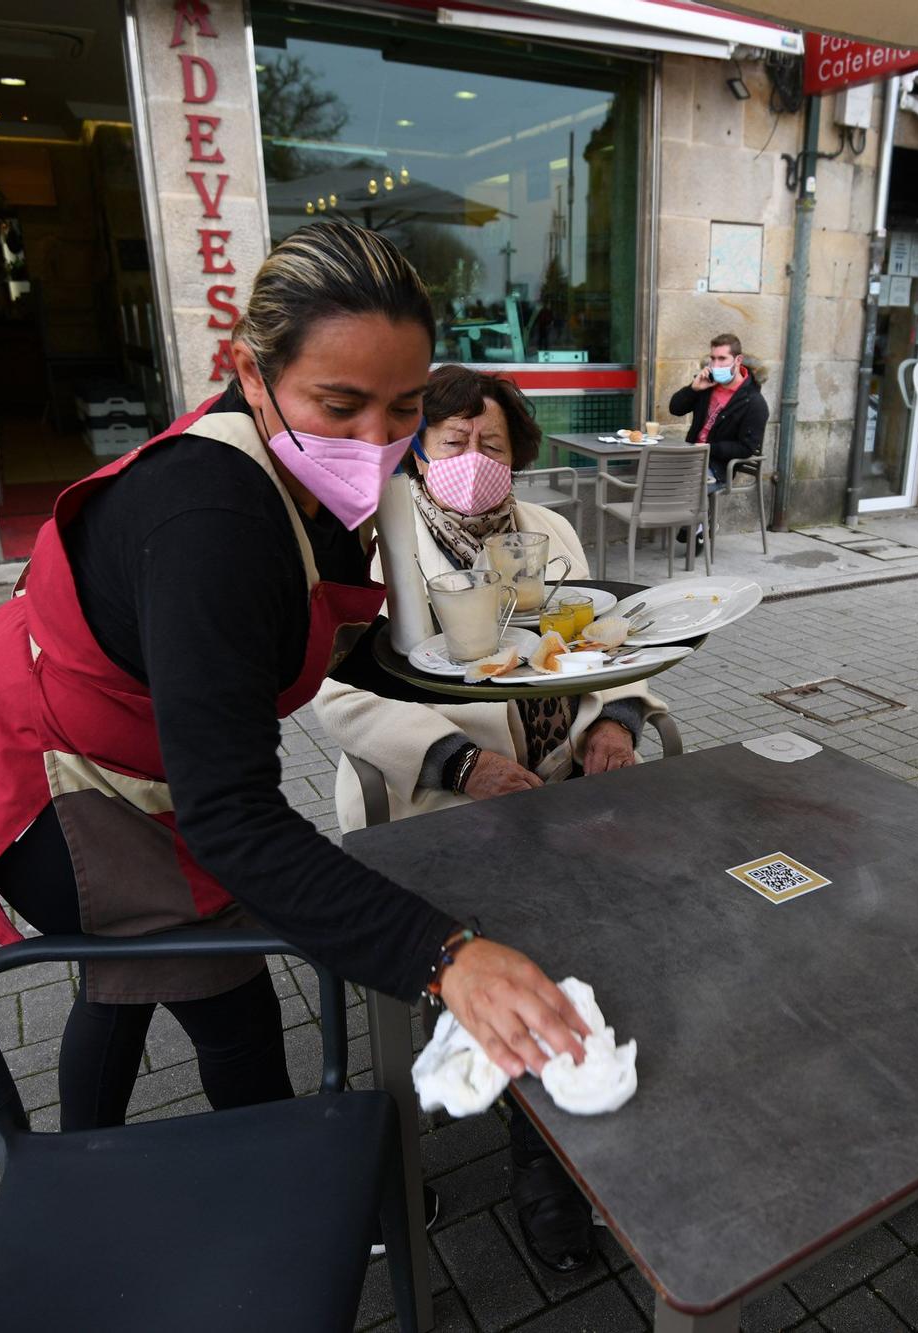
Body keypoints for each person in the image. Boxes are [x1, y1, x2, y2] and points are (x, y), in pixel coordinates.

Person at [0, 220, 589, 1148]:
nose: (376, 440)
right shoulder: (209, 519)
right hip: (56, 770)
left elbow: (326, 642)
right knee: (211, 982)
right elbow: (233, 815)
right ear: (247, 368)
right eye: (340, 402)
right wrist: (445, 956)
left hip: (139, 740)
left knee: (131, 966)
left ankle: (74, 1160)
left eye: (403, 411)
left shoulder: (312, 478)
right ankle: (274, 1178)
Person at [316, 365, 668, 1272]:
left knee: (623, 920)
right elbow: (335, 695)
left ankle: (562, 1140)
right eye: (452, 441)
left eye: (493, 445)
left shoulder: (547, 528)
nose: (474, 459)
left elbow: (604, 635)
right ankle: (545, 1170)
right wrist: (460, 761)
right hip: (432, 801)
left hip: (561, 788)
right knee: (532, 938)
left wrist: (617, 722)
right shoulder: (374, 538)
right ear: (416, 448)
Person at [669, 332, 768, 483]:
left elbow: (745, 448)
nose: (716, 365)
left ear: (738, 360)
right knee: (652, 473)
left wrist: (708, 448)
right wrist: (693, 389)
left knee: (676, 485)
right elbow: (675, 409)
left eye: (722, 359)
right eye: (713, 359)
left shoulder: (754, 402)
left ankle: (696, 507)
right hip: (690, 458)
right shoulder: (707, 386)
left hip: (718, 468)